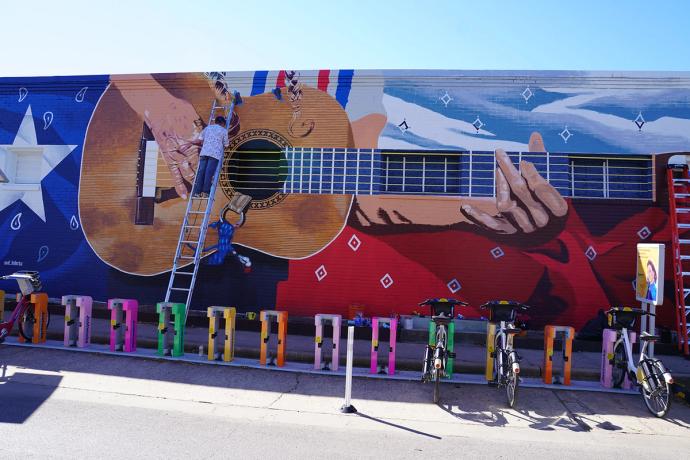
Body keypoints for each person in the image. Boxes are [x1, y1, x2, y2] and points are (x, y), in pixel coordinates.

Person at [192, 115, 229, 198]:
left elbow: (200, 139)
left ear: (215, 121)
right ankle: (206, 192)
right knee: (209, 173)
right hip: (214, 155)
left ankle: (197, 192)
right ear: (223, 123)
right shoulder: (223, 131)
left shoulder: (207, 128)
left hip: (204, 152)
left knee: (201, 172)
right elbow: (226, 144)